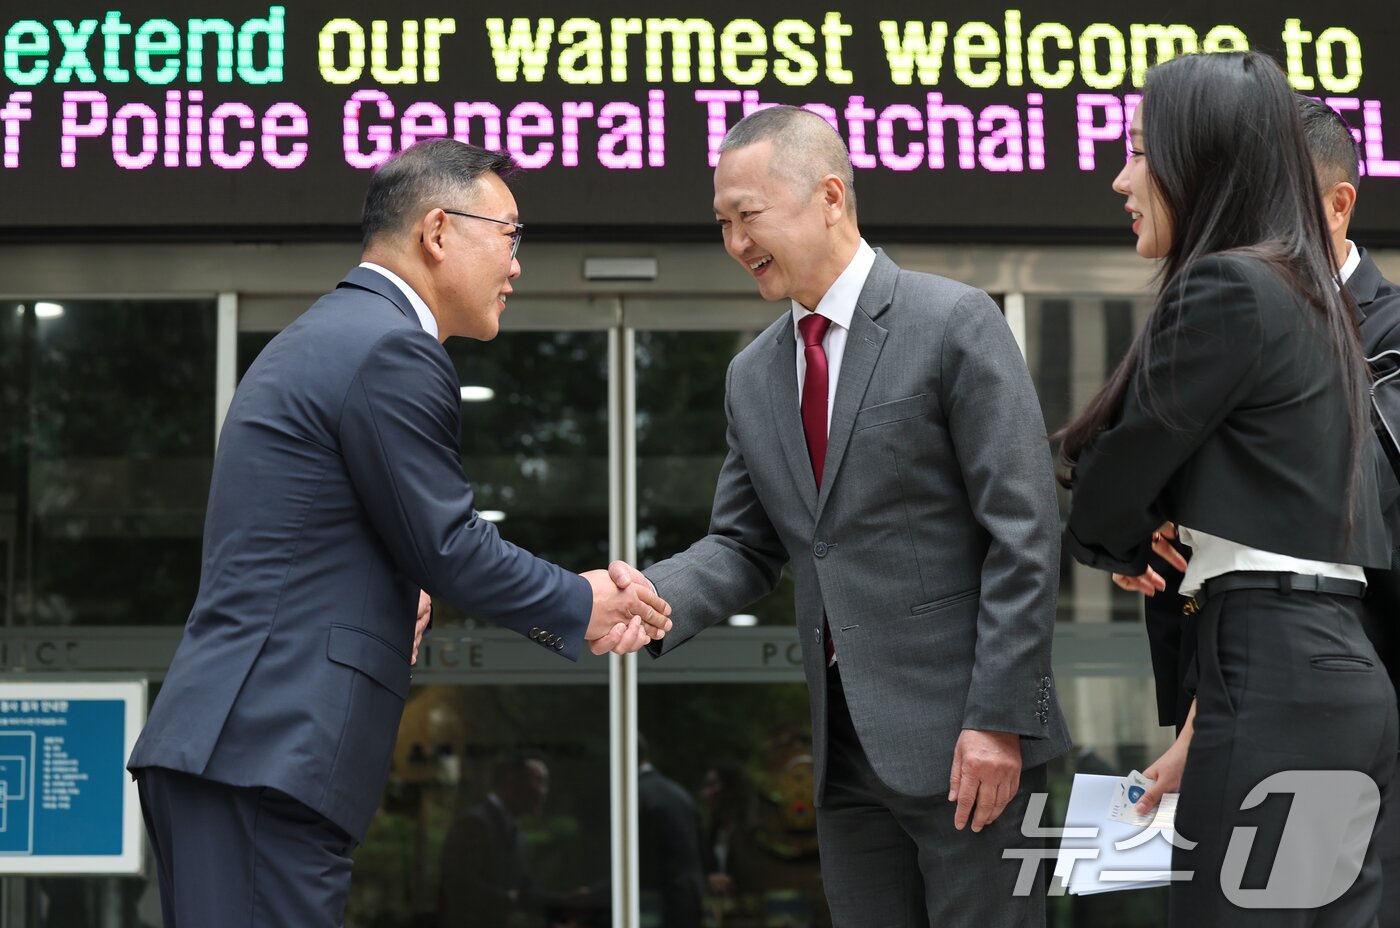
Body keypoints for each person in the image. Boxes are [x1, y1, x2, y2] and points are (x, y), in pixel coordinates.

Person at [126, 139, 672, 928]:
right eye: (511, 235)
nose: (519, 265)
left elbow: (326, 534)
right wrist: (579, 601)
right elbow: (448, 545)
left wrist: (394, 584)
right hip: (266, 752)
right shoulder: (391, 347)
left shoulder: (332, 333)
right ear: (439, 231)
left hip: (241, 749)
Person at [615, 104, 1070, 926]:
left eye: (748, 216)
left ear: (830, 196)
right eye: (722, 223)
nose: (735, 244)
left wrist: (998, 720)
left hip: (973, 746)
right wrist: (645, 597)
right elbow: (743, 544)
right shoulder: (752, 376)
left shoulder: (954, 322)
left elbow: (1024, 530)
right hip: (844, 761)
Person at [1061, 52, 1398, 926]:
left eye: (1141, 151)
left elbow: (1110, 483)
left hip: (1271, 662)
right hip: (1330, 672)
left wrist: (1127, 540)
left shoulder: (1228, 287)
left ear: (1200, 161)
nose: (1120, 177)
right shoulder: (1319, 304)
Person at [438, 753, 555, 927]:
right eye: (538, 781)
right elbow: (460, 888)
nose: (543, 791)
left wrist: (568, 903)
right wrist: (509, 900)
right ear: (511, 782)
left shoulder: (515, 834)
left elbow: (525, 890)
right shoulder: (474, 824)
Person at [637, 736, 705, 928]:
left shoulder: (637, 795)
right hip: (690, 900)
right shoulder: (678, 793)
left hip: (660, 907)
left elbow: (640, 863)